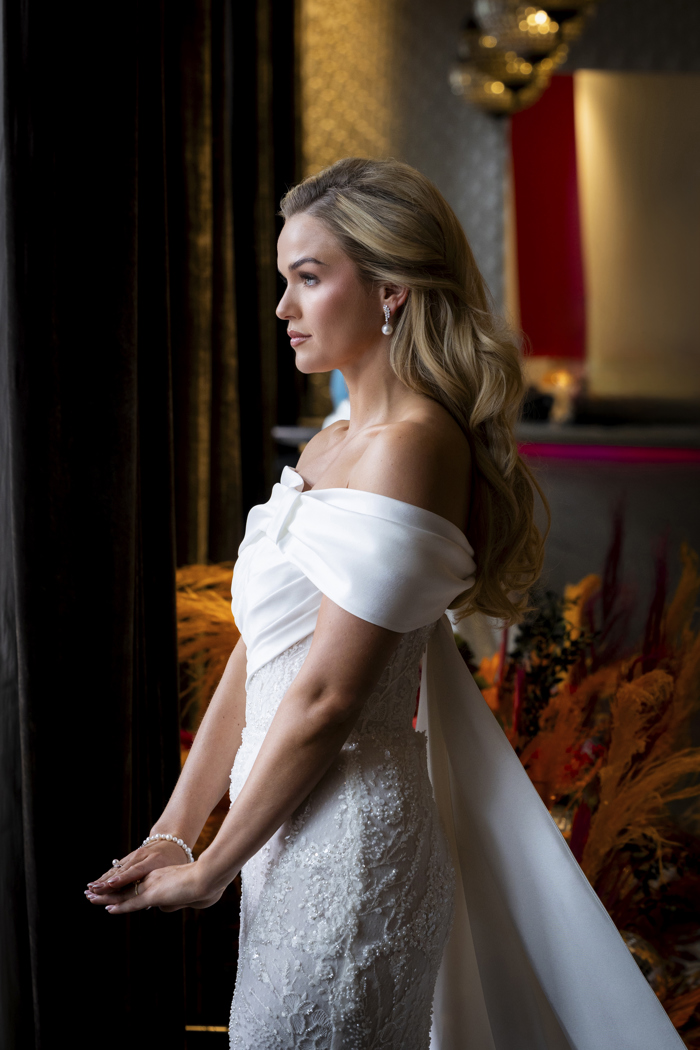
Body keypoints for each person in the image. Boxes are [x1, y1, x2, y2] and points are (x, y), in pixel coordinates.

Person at [86, 158, 683, 1050]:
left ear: (393, 290)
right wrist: (175, 831)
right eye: (283, 282)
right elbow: (258, 654)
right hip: (281, 842)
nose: (284, 308)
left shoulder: (412, 447)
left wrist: (212, 866)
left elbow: (327, 701)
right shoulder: (328, 446)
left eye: (310, 279)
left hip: (348, 842)